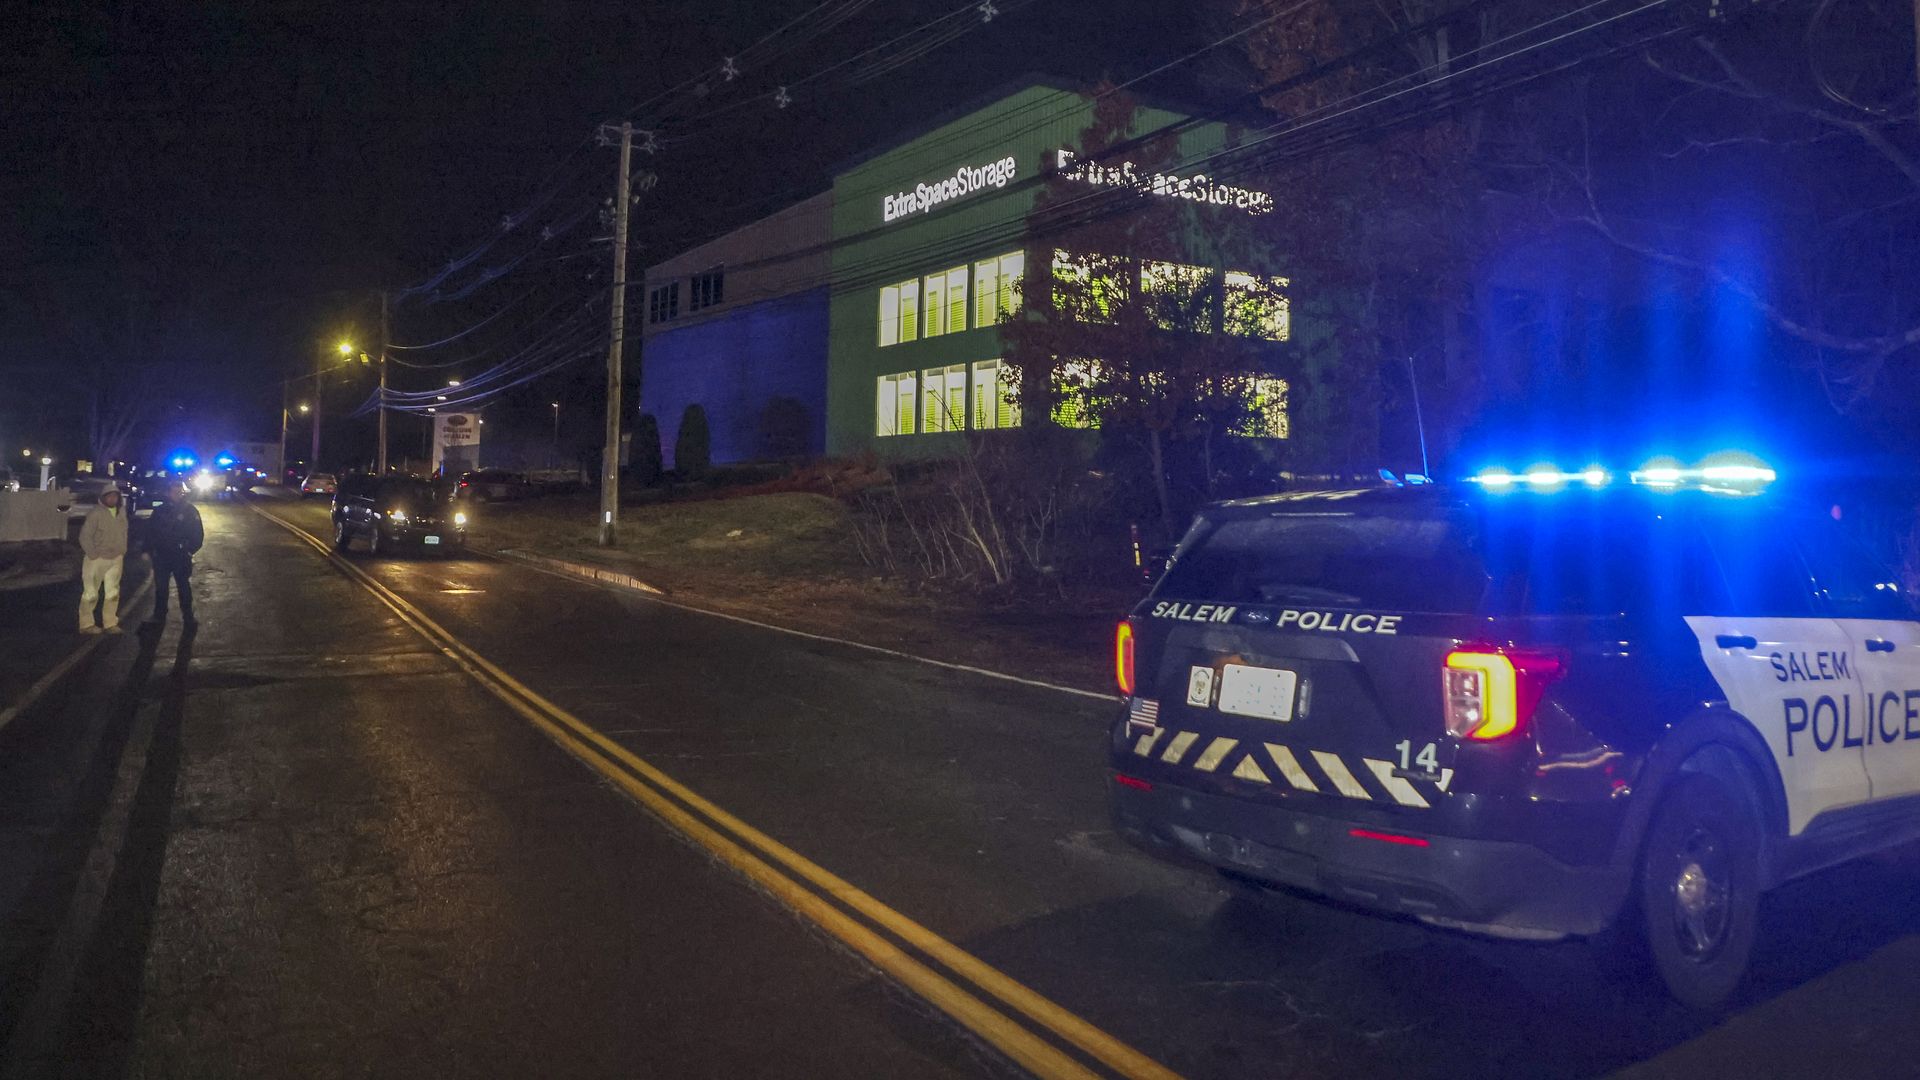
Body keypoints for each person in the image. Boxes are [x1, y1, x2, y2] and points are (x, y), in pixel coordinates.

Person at [144, 482, 205, 628]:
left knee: (183, 587)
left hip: (181, 556)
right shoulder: (160, 511)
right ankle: (159, 615)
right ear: (168, 493)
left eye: (180, 492)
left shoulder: (190, 511)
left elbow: (198, 534)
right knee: (161, 587)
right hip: (162, 556)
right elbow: (150, 532)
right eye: (174, 492)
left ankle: (188, 616)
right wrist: (147, 550)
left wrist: (189, 550)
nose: (177, 495)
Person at [77, 485, 129, 634]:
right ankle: (86, 624)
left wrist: (122, 550)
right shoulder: (96, 514)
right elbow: (85, 536)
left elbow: (124, 532)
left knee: (113, 592)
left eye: (115, 496)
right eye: (109, 496)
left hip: (116, 558)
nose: (112, 499)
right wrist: (93, 554)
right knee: (91, 593)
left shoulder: (121, 513)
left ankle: (110, 622)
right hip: (97, 559)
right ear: (103, 498)